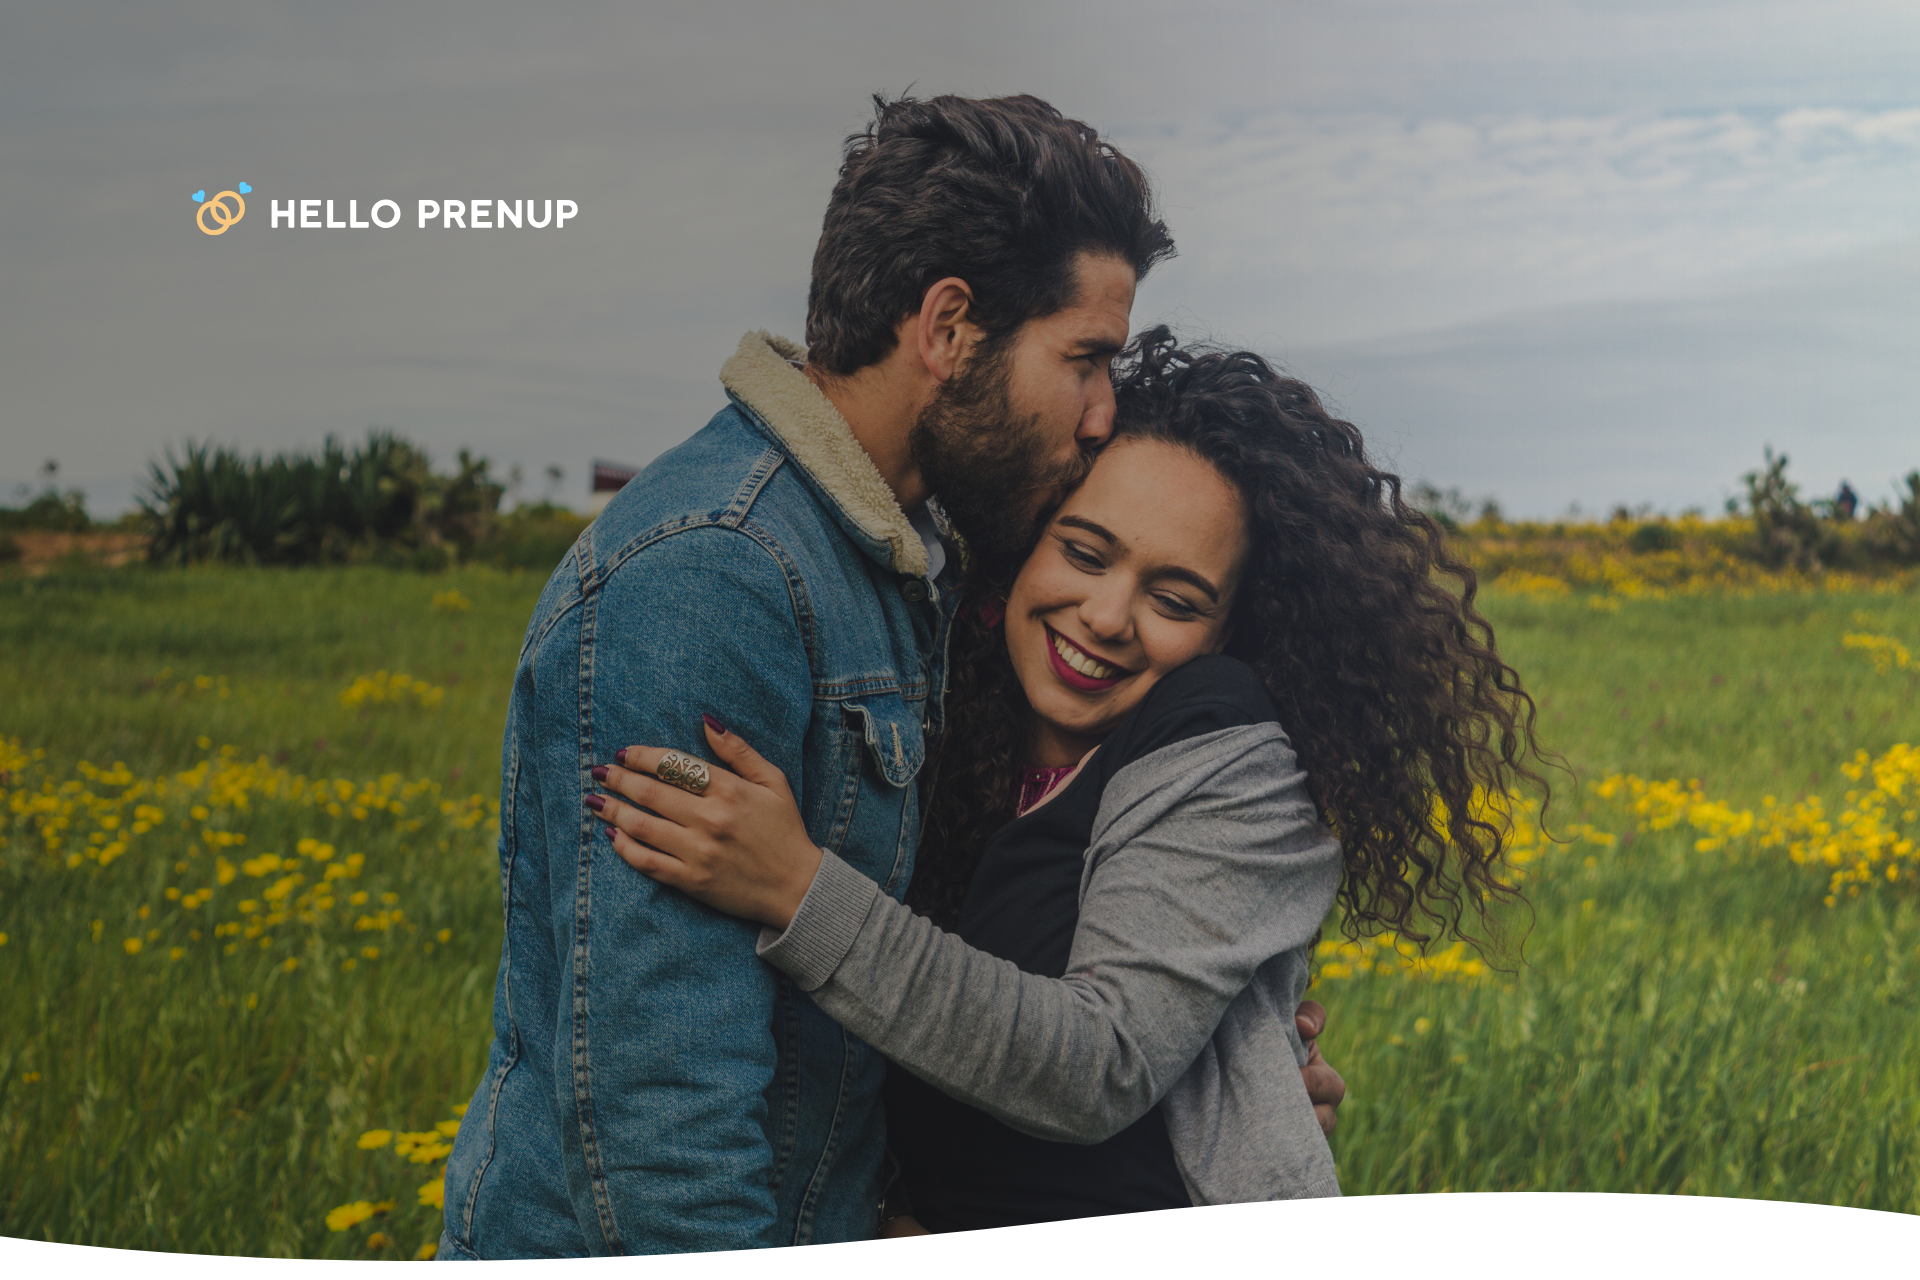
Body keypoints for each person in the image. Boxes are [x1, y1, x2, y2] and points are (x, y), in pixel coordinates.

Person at [438, 96, 1343, 1259]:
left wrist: (1228, 1081)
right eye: (1085, 358)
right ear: (950, 327)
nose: (1104, 410)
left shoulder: (903, 562)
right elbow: (664, 1119)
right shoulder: (718, 577)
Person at [588, 331, 1551, 1231]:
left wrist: (795, 888)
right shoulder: (943, 723)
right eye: (1085, 553)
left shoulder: (1231, 751)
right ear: (1023, 546)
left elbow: (1097, 1065)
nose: (1105, 615)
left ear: (1230, 633)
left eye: (1175, 598)